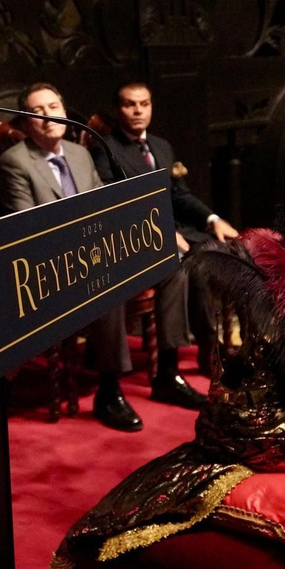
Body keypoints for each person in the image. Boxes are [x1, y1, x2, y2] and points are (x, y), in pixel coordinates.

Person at [0, 82, 150, 431]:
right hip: (48, 265)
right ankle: (109, 391)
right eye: (37, 112)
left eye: (54, 107)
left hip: (93, 252)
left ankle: (167, 371)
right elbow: (28, 227)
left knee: (165, 267)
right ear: (25, 123)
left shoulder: (79, 153)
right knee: (107, 286)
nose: (48, 117)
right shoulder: (15, 161)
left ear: (65, 113)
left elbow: (101, 206)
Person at [91, 81, 238, 385]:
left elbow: (179, 195)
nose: (138, 110)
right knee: (187, 264)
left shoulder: (161, 146)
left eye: (144, 104)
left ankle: (211, 347)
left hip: (175, 230)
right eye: (130, 104)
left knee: (217, 254)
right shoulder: (105, 148)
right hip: (138, 235)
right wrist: (162, 232)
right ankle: (196, 352)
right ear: (118, 110)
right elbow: (116, 204)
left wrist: (212, 218)